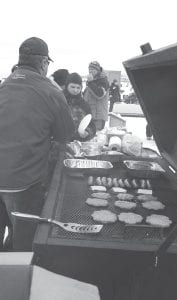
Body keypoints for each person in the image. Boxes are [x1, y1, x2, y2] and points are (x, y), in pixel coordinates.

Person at [0, 37, 75, 251]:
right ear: (43, 63)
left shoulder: (4, 86)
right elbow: (65, 134)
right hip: (23, 182)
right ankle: (17, 278)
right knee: (23, 245)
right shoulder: (51, 92)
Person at [63, 72, 96, 141]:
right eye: (72, 87)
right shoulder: (59, 101)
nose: (75, 90)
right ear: (67, 86)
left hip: (79, 143)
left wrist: (87, 132)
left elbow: (92, 125)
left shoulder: (84, 105)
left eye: (78, 87)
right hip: (60, 143)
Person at [83, 61, 109, 131]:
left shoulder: (103, 81)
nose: (90, 71)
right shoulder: (91, 81)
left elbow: (99, 94)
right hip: (89, 115)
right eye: (89, 69)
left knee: (96, 137)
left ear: (98, 70)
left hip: (98, 118)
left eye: (93, 69)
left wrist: (91, 82)